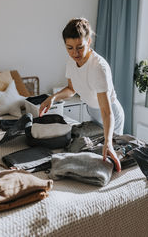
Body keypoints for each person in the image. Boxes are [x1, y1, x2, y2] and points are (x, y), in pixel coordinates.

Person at [39, 18, 125, 172]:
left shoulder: (98, 67)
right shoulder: (71, 62)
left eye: (80, 47)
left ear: (89, 41)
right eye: (69, 48)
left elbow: (106, 111)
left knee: (109, 156)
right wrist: (53, 98)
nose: (75, 53)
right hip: (93, 111)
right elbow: (71, 89)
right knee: (90, 151)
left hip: (110, 115)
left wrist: (109, 141)